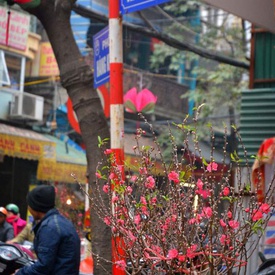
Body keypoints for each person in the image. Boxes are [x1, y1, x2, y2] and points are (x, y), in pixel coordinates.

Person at [16, 185, 80, 275]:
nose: (29, 208)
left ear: (35, 207)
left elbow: (43, 267)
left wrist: (19, 273)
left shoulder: (49, 228)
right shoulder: (61, 222)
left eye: (29, 205)